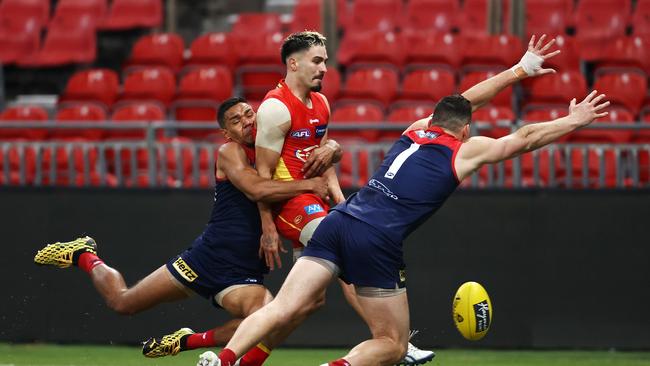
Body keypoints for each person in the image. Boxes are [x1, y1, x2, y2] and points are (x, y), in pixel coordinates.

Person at [196, 35, 610, 366]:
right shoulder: (463, 151)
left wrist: (519, 70)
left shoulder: (417, 127)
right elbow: (524, 137)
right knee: (392, 345)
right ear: (465, 130)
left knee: (282, 306)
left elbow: (465, 102)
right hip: (375, 239)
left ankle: (222, 359)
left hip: (341, 218)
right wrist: (572, 121)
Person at [33, 97, 330, 363]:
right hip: (207, 259)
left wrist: (332, 147)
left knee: (265, 318)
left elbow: (318, 145)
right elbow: (255, 189)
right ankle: (85, 254)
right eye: (236, 121)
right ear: (226, 133)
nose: (247, 122)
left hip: (244, 271)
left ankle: (187, 341)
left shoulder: (276, 151)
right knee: (123, 302)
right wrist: (309, 184)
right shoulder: (230, 151)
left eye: (249, 114)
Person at [254, 31, 434, 365]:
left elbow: (322, 162)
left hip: (316, 203)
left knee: (306, 302)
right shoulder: (275, 108)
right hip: (288, 206)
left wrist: (340, 204)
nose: (324, 68)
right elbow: (262, 175)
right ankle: (394, 342)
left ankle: (241, 359)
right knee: (351, 257)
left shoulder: (320, 103)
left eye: (325, 61)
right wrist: (266, 226)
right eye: (316, 61)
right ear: (293, 63)